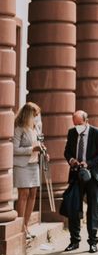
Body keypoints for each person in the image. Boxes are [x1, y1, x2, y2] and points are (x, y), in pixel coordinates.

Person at [63, 111, 98, 253]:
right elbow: (67, 152)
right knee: (73, 208)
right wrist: (71, 160)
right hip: (76, 175)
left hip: (92, 176)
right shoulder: (71, 133)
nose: (77, 127)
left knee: (93, 209)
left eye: (79, 124)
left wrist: (88, 163)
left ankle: (93, 241)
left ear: (86, 121)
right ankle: (74, 241)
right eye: (74, 124)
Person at [13, 102, 43, 241]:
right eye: (35, 115)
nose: (37, 117)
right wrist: (31, 149)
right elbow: (14, 149)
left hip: (34, 165)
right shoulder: (19, 128)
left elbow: (39, 144)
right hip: (22, 166)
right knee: (23, 194)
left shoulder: (35, 128)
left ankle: (26, 226)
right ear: (28, 115)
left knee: (32, 194)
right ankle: (19, 229)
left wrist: (43, 151)